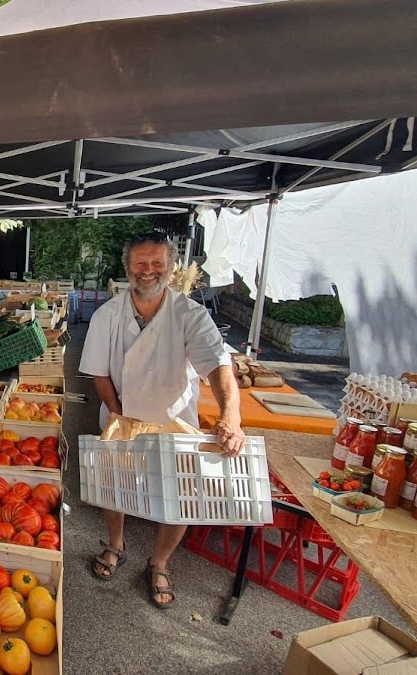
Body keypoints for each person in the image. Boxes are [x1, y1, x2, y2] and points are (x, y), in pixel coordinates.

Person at [79, 232, 245, 609]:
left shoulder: (189, 314)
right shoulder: (109, 315)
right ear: (128, 268)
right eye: (140, 264)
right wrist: (117, 413)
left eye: (157, 264)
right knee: (114, 487)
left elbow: (218, 366)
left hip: (174, 421)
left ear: (171, 268)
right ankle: (115, 545)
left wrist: (230, 414)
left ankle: (159, 561)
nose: (148, 271)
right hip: (122, 415)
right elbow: (98, 372)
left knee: (178, 496)